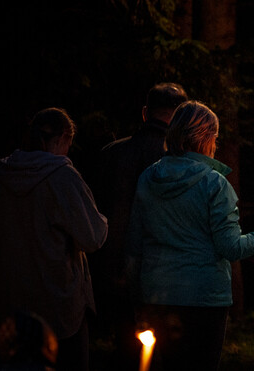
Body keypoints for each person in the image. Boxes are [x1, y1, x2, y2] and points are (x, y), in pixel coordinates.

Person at [128, 101, 254, 371]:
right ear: (207, 137)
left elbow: (135, 241)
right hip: (202, 299)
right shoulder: (214, 183)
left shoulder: (148, 177)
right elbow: (231, 247)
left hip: (156, 295)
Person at [0, 107, 109, 371]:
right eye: (69, 145)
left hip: (9, 307)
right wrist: (103, 220)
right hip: (59, 309)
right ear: (63, 137)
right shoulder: (62, 177)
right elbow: (93, 237)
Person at [89, 82, 188, 370]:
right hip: (164, 273)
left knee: (126, 348)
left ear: (146, 113)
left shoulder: (111, 153)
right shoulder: (184, 161)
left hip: (114, 270)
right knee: (167, 353)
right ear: (182, 117)